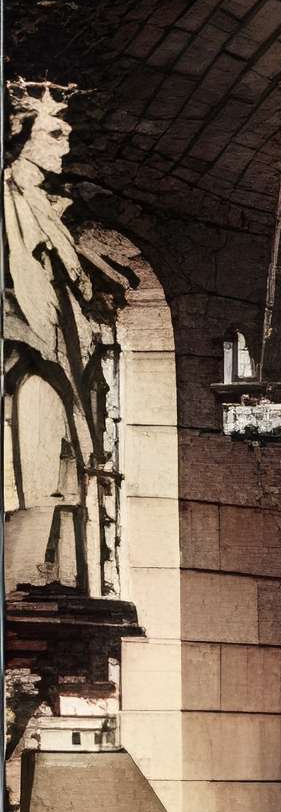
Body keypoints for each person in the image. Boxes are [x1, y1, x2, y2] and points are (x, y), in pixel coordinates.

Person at [4, 82, 131, 598]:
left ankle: (48, 569)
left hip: (62, 355)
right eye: (54, 133)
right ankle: (20, 574)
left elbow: (63, 283)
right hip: (26, 356)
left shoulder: (45, 204)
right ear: (22, 140)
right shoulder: (10, 201)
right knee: (27, 459)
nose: (64, 145)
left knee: (60, 454)